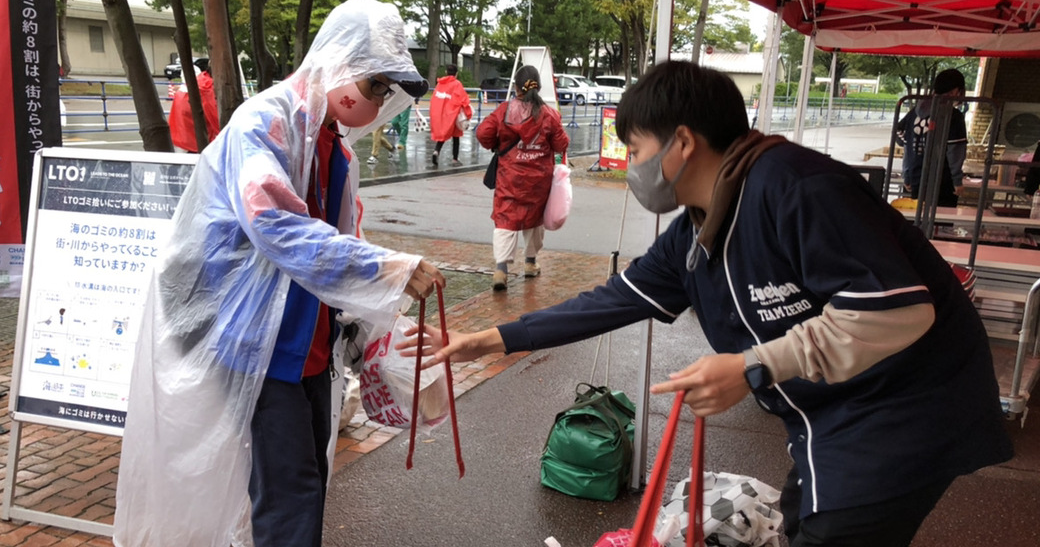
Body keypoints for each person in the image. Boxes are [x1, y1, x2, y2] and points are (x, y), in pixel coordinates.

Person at [402, 60, 1013, 547]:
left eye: (637, 149)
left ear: (683, 142)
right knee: (800, 523)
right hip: (830, 420)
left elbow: (898, 311)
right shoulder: (697, 229)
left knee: (829, 530)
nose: (634, 167)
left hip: (906, 414)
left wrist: (753, 365)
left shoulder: (795, 188)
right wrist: (489, 340)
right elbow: (613, 300)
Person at [113, 0, 444, 547]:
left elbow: (338, 240)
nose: (380, 101)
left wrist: (368, 319)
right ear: (340, 64)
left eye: (387, 90)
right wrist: (388, 268)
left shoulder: (332, 144)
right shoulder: (263, 124)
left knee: (306, 477)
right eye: (376, 85)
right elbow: (276, 226)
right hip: (255, 341)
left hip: (306, 339)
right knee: (289, 493)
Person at [475, 65, 568, 291]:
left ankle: (501, 270)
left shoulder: (504, 111)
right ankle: (530, 263)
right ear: (538, 86)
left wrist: (496, 145)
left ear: (515, 87)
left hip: (510, 177)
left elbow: (483, 133)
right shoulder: (549, 114)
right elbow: (561, 144)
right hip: (539, 180)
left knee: (506, 219)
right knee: (535, 220)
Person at [898, 69, 968, 206]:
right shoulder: (953, 116)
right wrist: (957, 180)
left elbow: (905, 142)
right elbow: (955, 150)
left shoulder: (914, 113)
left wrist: (907, 174)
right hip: (942, 179)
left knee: (917, 219)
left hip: (916, 175)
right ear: (955, 91)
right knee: (941, 221)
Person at [168, 65, 220, 153]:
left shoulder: (193, 84)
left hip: (178, 135)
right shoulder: (207, 87)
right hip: (195, 141)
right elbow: (215, 118)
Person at [429, 63, 472, 166]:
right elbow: (464, 100)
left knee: (443, 135)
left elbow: (434, 99)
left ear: (446, 72)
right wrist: (468, 114)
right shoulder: (457, 84)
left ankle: (436, 151)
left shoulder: (440, 84)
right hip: (454, 114)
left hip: (441, 113)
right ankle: (455, 159)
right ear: (456, 74)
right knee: (456, 137)